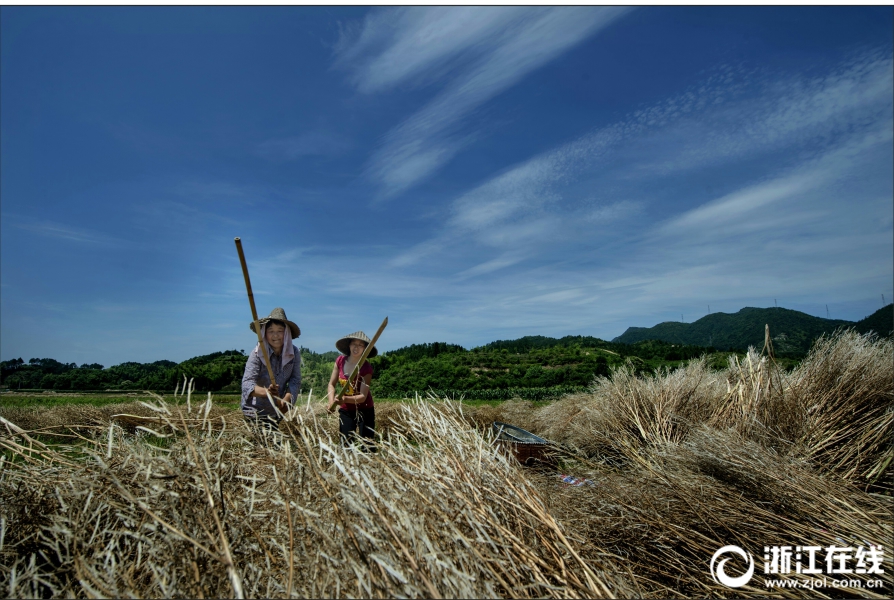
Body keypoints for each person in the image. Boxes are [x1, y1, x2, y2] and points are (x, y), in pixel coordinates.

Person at [241, 307, 301, 432]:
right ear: (264, 333)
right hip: (254, 412)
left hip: (276, 412)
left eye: (280, 331)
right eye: (271, 331)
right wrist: (267, 392)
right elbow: (247, 383)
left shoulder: (294, 352)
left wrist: (286, 400)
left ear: (287, 333)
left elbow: (295, 380)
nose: (275, 335)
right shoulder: (258, 353)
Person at [327, 331, 376, 450]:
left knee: (367, 446)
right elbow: (331, 384)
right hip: (346, 410)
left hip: (365, 409)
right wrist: (331, 402)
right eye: (354, 343)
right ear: (349, 345)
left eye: (360, 345)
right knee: (346, 445)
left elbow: (362, 397)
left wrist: (344, 399)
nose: (356, 347)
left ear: (364, 349)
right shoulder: (340, 361)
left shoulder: (366, 368)